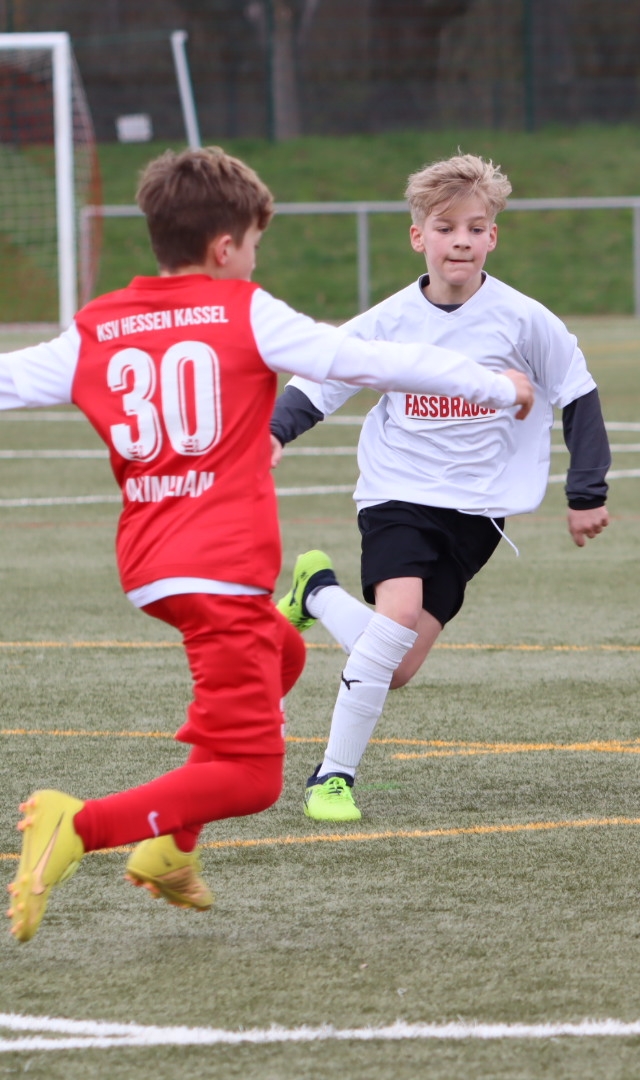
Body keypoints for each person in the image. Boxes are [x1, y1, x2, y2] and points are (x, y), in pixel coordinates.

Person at [2, 148, 533, 943]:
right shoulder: (243, 311)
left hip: (152, 566)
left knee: (283, 654)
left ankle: (170, 848)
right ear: (226, 248)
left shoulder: (99, 325)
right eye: (253, 244)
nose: (254, 259)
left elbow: (10, 379)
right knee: (252, 780)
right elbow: (366, 360)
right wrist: (496, 383)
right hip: (217, 570)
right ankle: (77, 826)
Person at [269, 154, 610, 823]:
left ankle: (316, 592)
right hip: (396, 492)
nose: (461, 240)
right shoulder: (387, 321)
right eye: (446, 227)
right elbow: (319, 382)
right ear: (417, 236)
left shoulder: (524, 320)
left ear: (493, 237)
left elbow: (579, 395)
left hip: (479, 513)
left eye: (475, 228)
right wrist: (275, 434)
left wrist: (586, 491)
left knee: (394, 668)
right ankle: (332, 777)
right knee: (395, 620)